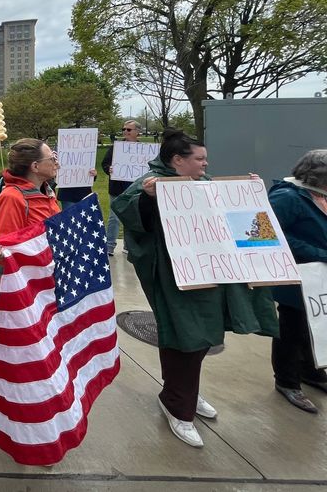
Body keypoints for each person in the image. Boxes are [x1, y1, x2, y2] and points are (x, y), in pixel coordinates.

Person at [111, 128, 278, 448]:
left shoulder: (203, 183)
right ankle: (177, 406)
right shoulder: (149, 184)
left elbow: (237, 219)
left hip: (212, 277)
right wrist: (147, 200)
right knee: (184, 337)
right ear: (177, 160)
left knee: (200, 338)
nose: (205, 163)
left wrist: (250, 193)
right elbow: (128, 215)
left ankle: (184, 391)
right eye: (199, 158)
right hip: (177, 281)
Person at [268, 149, 327, 413]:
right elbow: (270, 235)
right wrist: (319, 253)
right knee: (292, 328)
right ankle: (287, 382)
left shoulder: (318, 194)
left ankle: (310, 373)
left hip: (317, 276)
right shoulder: (287, 196)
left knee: (312, 327)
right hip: (297, 275)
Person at [0, 138, 61, 270]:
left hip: (52, 276)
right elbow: (6, 252)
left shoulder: (47, 192)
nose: (57, 163)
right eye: (52, 159)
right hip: (32, 283)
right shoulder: (11, 198)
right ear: (35, 166)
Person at [101, 120, 141, 256]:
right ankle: (109, 246)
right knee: (114, 218)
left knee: (132, 218)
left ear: (137, 132)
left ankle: (129, 246)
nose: (125, 132)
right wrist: (109, 169)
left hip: (135, 190)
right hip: (117, 189)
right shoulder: (116, 147)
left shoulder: (143, 149)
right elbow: (105, 163)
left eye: (129, 130)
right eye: (124, 129)